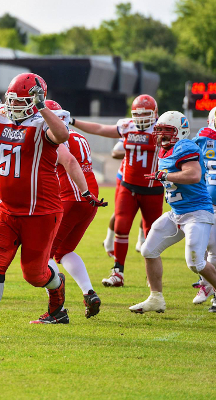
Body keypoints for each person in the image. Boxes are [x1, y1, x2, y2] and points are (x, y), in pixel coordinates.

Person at [0, 71, 103, 341]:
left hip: (41, 212)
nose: (14, 107)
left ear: (35, 101)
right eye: (12, 101)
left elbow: (62, 135)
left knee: (34, 274)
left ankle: (56, 289)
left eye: (21, 102)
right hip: (7, 209)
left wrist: (43, 107)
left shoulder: (43, 123)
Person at [131, 111, 216, 314]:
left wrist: (165, 175)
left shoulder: (185, 146)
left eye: (167, 131)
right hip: (177, 213)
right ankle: (156, 298)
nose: (161, 135)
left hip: (197, 212)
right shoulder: (166, 150)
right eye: (159, 130)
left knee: (195, 263)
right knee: (148, 250)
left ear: (181, 132)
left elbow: (195, 174)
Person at [72, 95, 164, 288]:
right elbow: (99, 129)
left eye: (146, 114)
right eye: (137, 114)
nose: (141, 118)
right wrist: (73, 121)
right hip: (128, 185)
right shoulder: (127, 126)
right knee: (121, 226)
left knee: (152, 233)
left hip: (153, 188)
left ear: (155, 114)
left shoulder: (162, 128)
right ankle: (117, 272)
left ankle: (151, 275)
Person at [45, 100, 107, 319]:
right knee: (63, 251)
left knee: (44, 254)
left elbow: (66, 164)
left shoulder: (55, 138)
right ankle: (89, 292)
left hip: (71, 198)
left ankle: (57, 308)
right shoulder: (80, 137)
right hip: (90, 200)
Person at [191, 104, 216, 307]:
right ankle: (209, 285)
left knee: (215, 252)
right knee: (203, 250)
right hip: (208, 204)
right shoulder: (204, 138)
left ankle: (215, 294)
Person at [102, 141, 147, 257]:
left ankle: (141, 241)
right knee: (120, 211)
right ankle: (109, 241)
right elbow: (115, 153)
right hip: (126, 177)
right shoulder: (131, 129)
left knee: (147, 210)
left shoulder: (160, 131)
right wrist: (137, 151)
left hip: (149, 177)